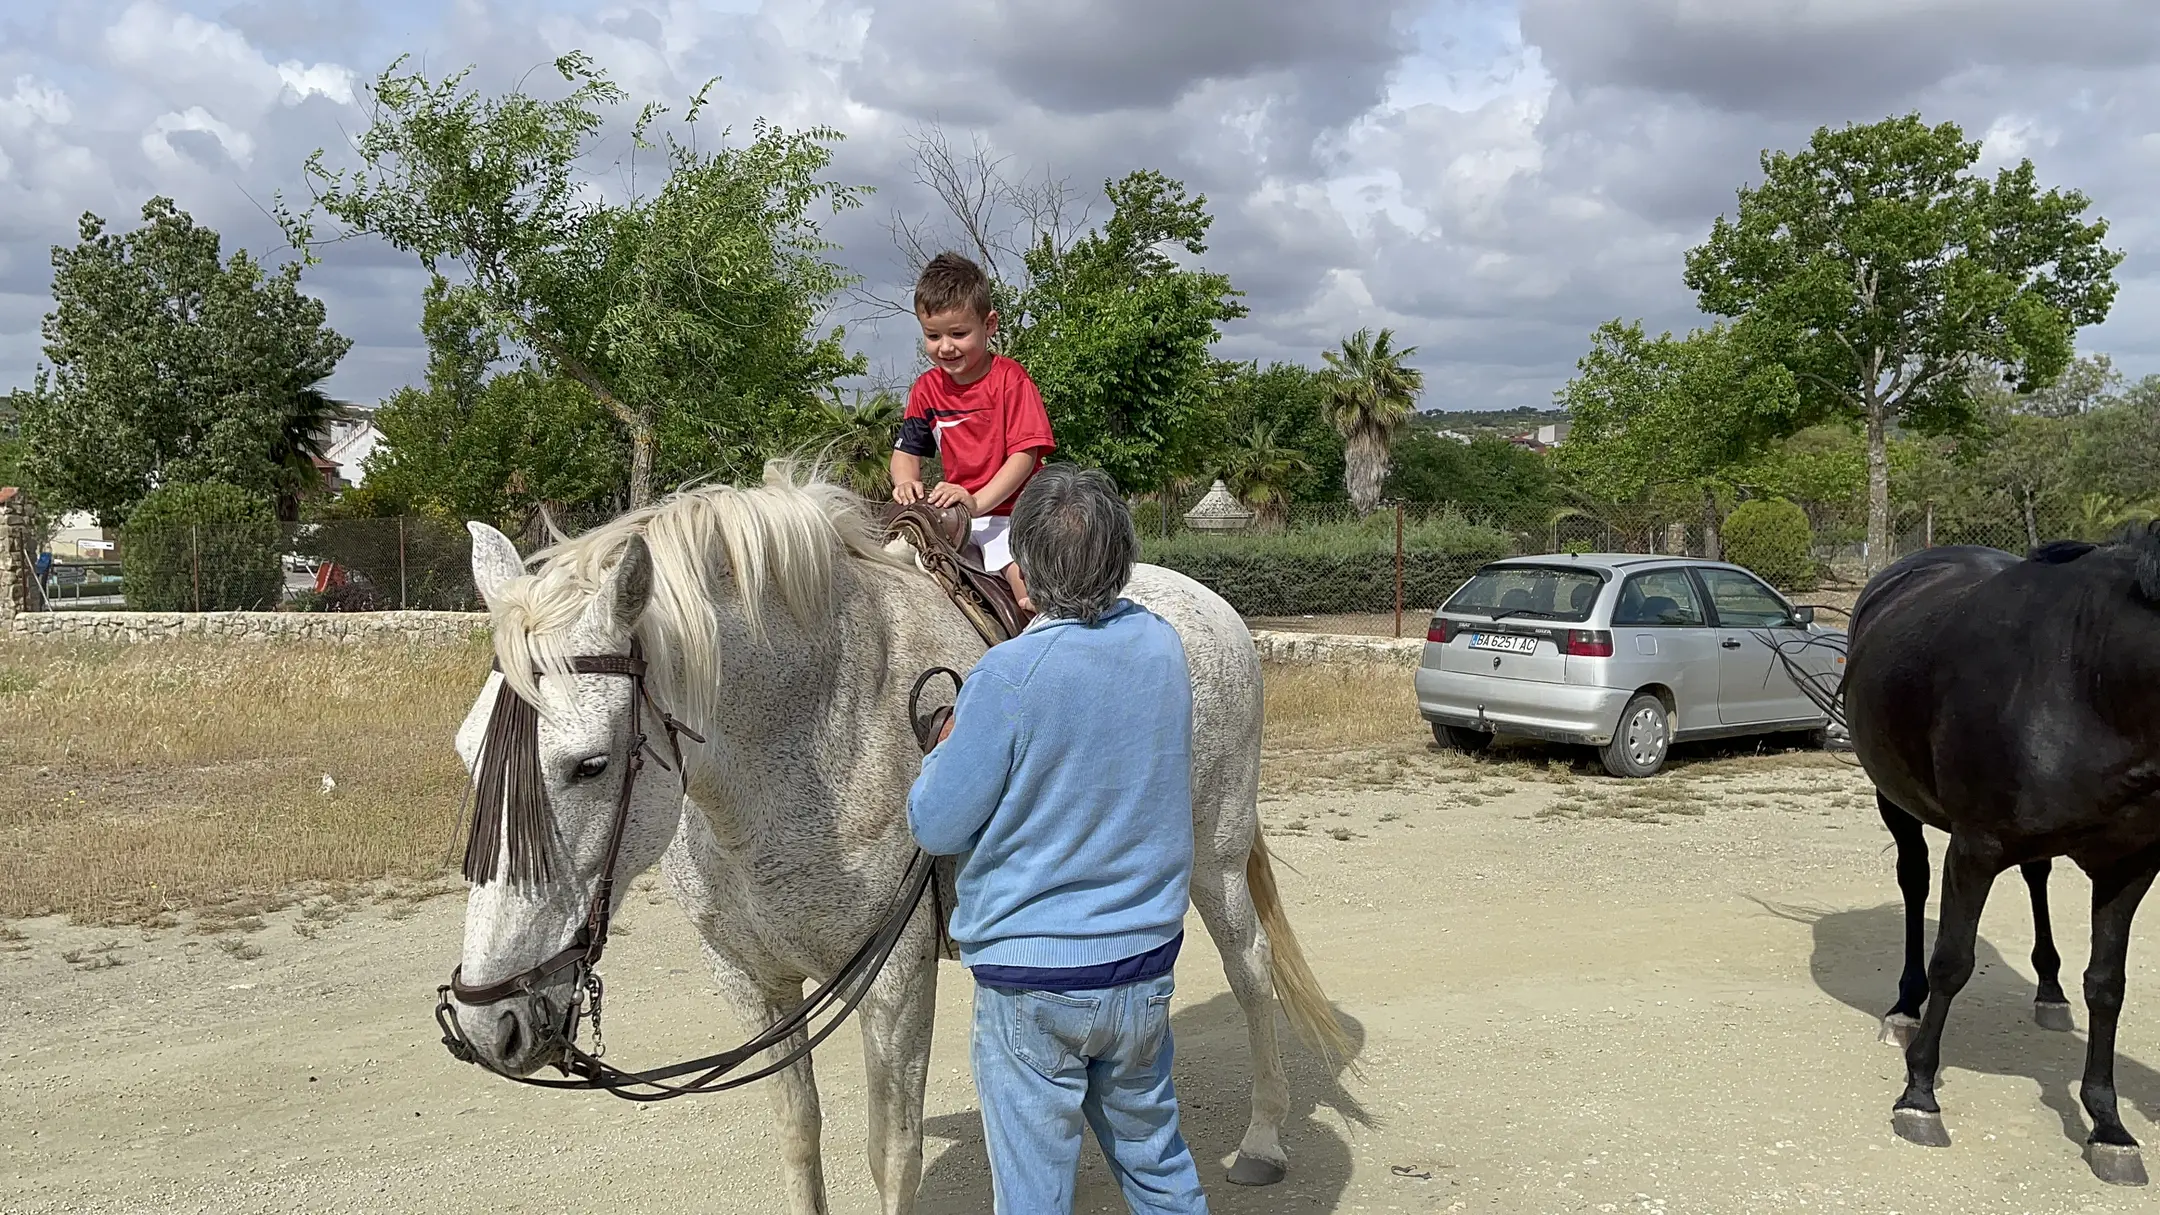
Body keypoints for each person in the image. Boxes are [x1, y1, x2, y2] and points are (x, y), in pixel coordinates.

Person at [907, 464, 1208, 1214]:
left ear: (1024, 575)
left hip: (1031, 983)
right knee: (1157, 1164)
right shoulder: (1164, 646)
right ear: (1124, 558)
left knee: (1035, 1189)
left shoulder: (1005, 674)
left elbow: (935, 822)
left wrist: (946, 745)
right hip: (1141, 967)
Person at [890, 251, 1055, 612]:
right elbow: (907, 451)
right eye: (932, 335)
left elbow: (1024, 456)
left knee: (1013, 565)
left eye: (959, 333)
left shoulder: (1011, 379)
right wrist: (905, 482)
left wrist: (979, 501)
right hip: (960, 513)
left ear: (989, 324)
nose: (945, 347)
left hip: (1015, 511)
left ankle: (1040, 625)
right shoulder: (925, 389)